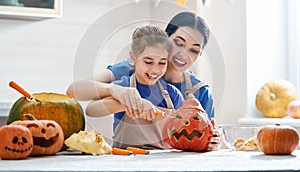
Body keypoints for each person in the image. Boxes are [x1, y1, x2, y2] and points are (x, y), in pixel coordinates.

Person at [66, 11, 221, 150]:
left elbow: (201, 134)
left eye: (193, 50)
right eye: (178, 43)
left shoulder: (198, 92)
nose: (183, 54)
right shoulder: (129, 70)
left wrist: (213, 141)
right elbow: (77, 94)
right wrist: (115, 91)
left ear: (200, 54)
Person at [86, 25, 185, 149]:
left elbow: (187, 128)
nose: (155, 69)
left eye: (162, 63)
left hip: (162, 163)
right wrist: (131, 105)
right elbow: (91, 110)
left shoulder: (173, 94)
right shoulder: (124, 86)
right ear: (133, 58)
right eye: (148, 62)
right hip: (126, 161)